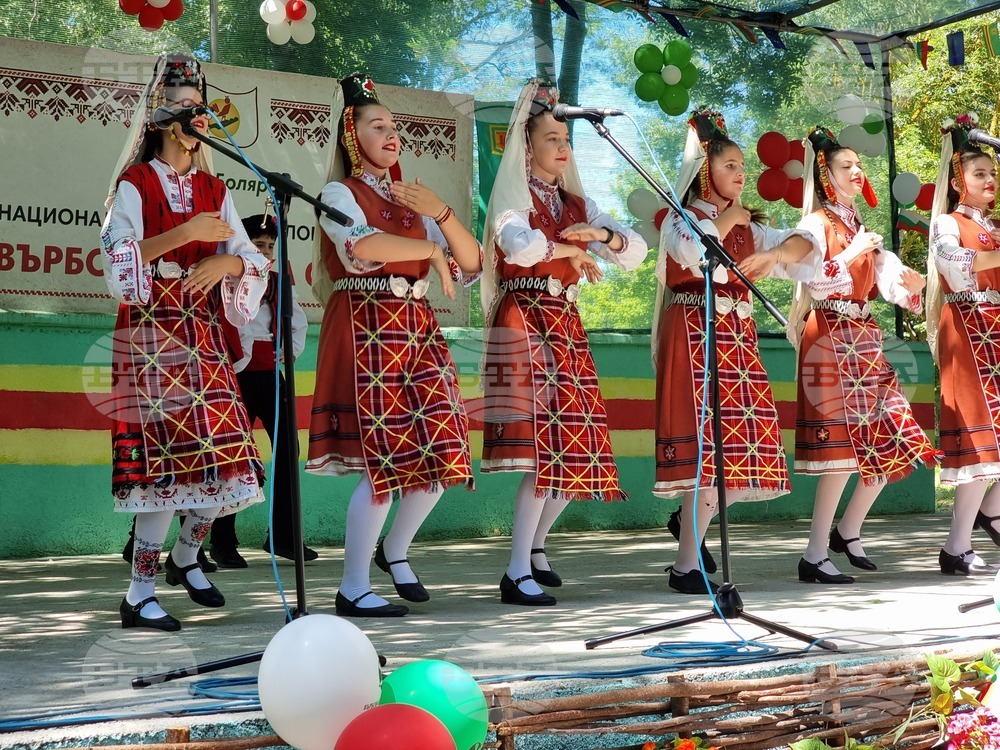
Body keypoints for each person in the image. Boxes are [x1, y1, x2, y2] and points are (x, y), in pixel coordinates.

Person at [101, 53, 270, 630]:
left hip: (201, 336)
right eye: (187, 106)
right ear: (163, 120)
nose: (198, 116)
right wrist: (184, 233)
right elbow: (116, 255)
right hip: (151, 336)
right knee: (163, 474)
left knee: (228, 467)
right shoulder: (136, 182)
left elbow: (248, 258)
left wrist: (224, 261)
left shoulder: (215, 185)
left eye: (200, 104)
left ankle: (186, 557)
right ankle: (139, 592)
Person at [306, 73, 482, 617]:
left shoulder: (413, 198)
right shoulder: (340, 193)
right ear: (350, 135)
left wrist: (442, 214)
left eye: (394, 127)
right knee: (380, 465)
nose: (391, 134)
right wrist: (428, 253)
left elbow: (473, 263)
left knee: (445, 453)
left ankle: (394, 551)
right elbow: (361, 244)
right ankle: (353, 586)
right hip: (367, 321)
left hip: (417, 324)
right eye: (377, 125)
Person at [480, 80, 648, 606]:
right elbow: (520, 248)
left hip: (564, 321)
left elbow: (636, 251)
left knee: (575, 447)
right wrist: (564, 248)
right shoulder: (511, 196)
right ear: (526, 146)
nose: (562, 146)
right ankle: (515, 570)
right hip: (524, 318)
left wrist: (597, 237)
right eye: (551, 137)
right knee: (540, 452)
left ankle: (533, 550)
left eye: (566, 138)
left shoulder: (578, 201)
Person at [654, 109, 817, 594]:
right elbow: (691, 253)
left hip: (737, 336)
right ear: (706, 171)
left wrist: (773, 254)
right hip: (693, 330)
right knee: (707, 445)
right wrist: (728, 218)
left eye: (742, 165)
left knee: (742, 443)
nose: (740, 173)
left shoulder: (750, 227)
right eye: (729, 166)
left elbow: (805, 247)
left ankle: (687, 531)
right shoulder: (679, 218)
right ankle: (686, 564)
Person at [788, 126, 937, 584]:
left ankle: (847, 531)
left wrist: (912, 289)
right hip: (830, 333)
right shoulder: (815, 224)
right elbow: (812, 280)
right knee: (844, 450)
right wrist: (855, 249)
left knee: (892, 437)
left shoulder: (860, 229)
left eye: (858, 165)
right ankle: (815, 553)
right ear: (826, 175)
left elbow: (889, 283)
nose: (857, 171)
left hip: (864, 334)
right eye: (846, 166)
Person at [207, 212, 317, 568]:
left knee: (288, 450)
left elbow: (295, 318)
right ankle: (220, 542)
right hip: (231, 377)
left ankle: (283, 536)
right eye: (258, 244)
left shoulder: (277, 279)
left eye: (270, 246)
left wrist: (288, 353)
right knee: (228, 457)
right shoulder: (226, 277)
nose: (265, 250)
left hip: (270, 376)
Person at [926, 112, 1000, 575]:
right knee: (979, 439)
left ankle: (991, 513)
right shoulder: (945, 224)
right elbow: (955, 267)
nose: (990, 180)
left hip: (996, 328)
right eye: (980, 174)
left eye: (993, 173)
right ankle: (956, 547)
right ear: (958, 182)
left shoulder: (996, 226)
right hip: (968, 329)